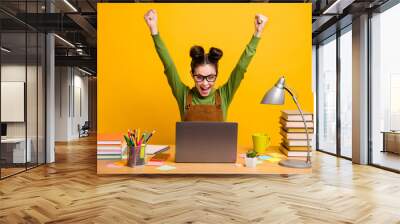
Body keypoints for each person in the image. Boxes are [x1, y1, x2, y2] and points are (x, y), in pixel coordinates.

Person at [144, 9, 268, 121]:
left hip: (219, 147)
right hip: (189, 147)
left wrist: (257, 33)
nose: (205, 83)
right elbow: (168, 65)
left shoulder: (224, 95)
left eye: (210, 77)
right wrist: (154, 30)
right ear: (192, 75)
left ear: (216, 75)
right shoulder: (183, 94)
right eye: (199, 77)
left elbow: (241, 67)